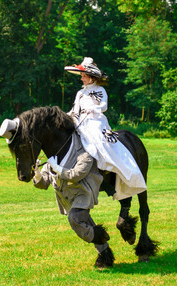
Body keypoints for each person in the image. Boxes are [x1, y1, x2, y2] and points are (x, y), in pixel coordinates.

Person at [64, 57, 146, 200]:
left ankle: (105, 169)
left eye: (84, 76)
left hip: (96, 121)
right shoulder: (80, 93)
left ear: (91, 77)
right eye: (82, 76)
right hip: (79, 121)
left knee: (98, 139)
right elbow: (74, 111)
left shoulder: (100, 90)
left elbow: (104, 106)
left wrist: (93, 108)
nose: (82, 79)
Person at [33, 132, 114, 267]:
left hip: (83, 195)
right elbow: (44, 183)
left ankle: (97, 235)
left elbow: (75, 175)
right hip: (67, 200)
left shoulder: (86, 154)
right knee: (85, 222)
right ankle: (105, 254)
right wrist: (36, 172)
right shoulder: (51, 161)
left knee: (75, 218)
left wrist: (58, 168)